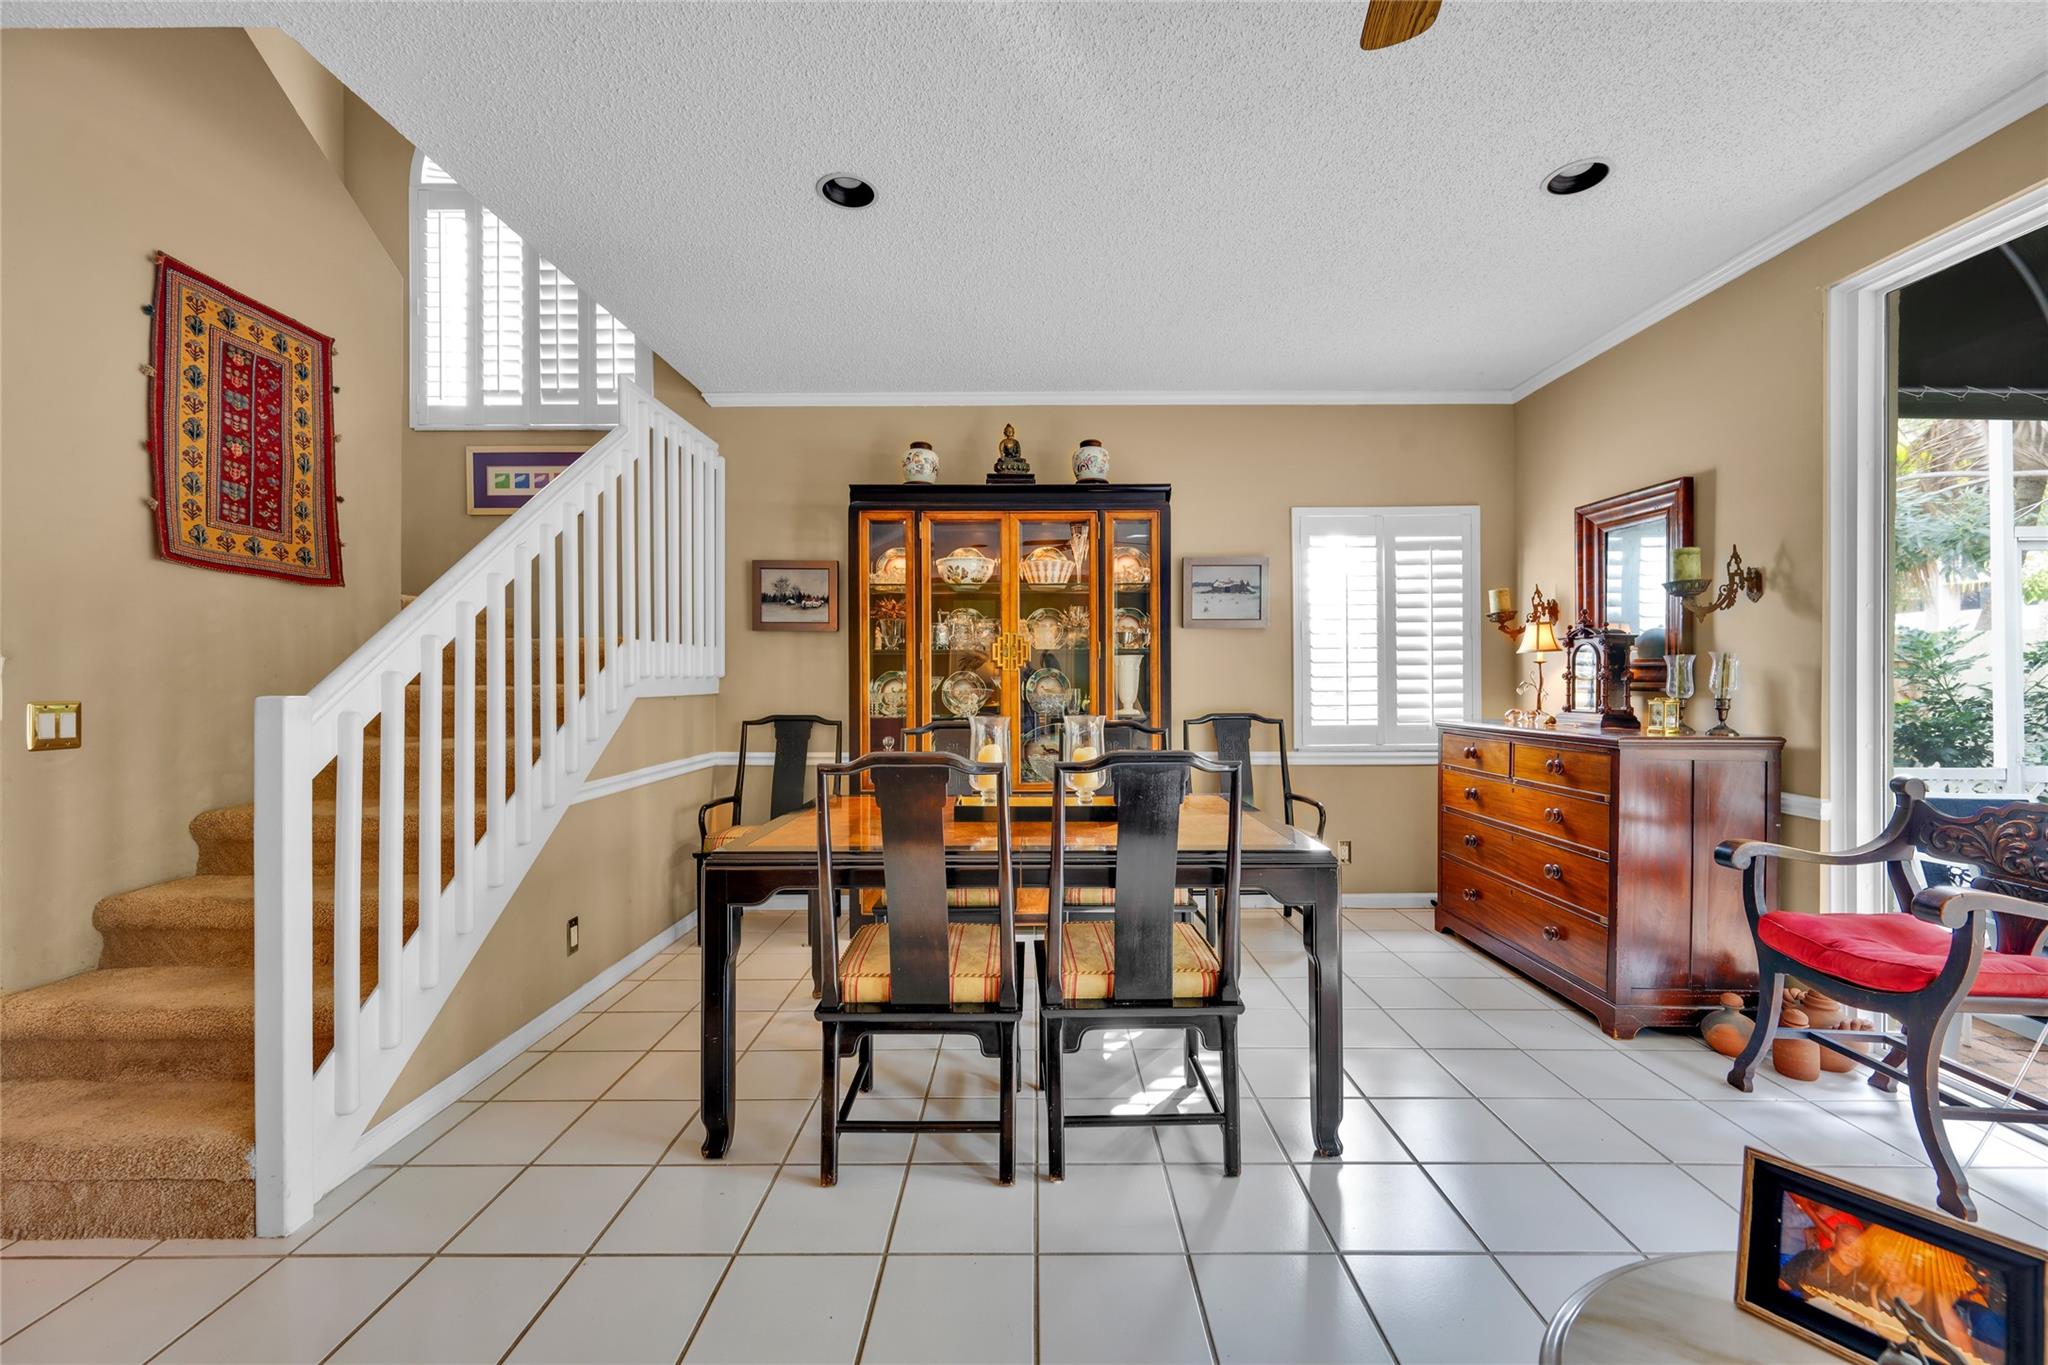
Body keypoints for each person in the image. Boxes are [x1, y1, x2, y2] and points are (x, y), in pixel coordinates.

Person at [1783, 1223, 1879, 1304]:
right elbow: (1781, 1287)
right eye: (1847, 1243)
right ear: (1834, 1240)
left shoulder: (1867, 1275)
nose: (1854, 1252)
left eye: (1861, 1248)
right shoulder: (1809, 1259)